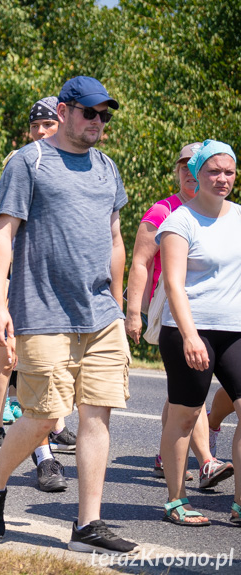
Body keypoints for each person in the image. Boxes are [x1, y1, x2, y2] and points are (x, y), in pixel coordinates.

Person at [0, 76, 138, 554]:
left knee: (97, 415)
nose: (97, 122)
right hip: (43, 311)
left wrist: (122, 303)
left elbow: (115, 239)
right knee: (45, 416)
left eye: (104, 115)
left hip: (101, 313)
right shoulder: (30, 162)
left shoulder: (107, 167)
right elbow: (2, 235)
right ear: (65, 110)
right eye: (90, 113)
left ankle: (88, 523)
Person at [125, 142, 233, 488]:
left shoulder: (233, 215)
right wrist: (133, 312)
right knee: (187, 403)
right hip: (176, 312)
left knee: (182, 401)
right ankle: (201, 466)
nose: (190, 172)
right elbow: (142, 263)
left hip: (228, 321)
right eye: (184, 166)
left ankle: (184, 458)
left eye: (227, 171)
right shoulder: (166, 213)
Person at [0, 97, 74, 495]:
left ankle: (43, 436)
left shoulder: (87, 170)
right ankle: (42, 458)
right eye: (35, 125)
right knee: (23, 372)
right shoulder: (20, 164)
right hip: (24, 293)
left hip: (68, 296)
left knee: (53, 382)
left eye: (48, 124)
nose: (40, 131)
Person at [155, 140, 241, 527]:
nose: (222, 179)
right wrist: (189, 336)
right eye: (213, 172)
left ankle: (239, 504)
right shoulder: (180, 221)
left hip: (235, 330)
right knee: (186, 416)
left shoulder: (239, 216)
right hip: (189, 330)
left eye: (229, 172)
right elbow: (173, 285)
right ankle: (176, 500)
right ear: (196, 175)